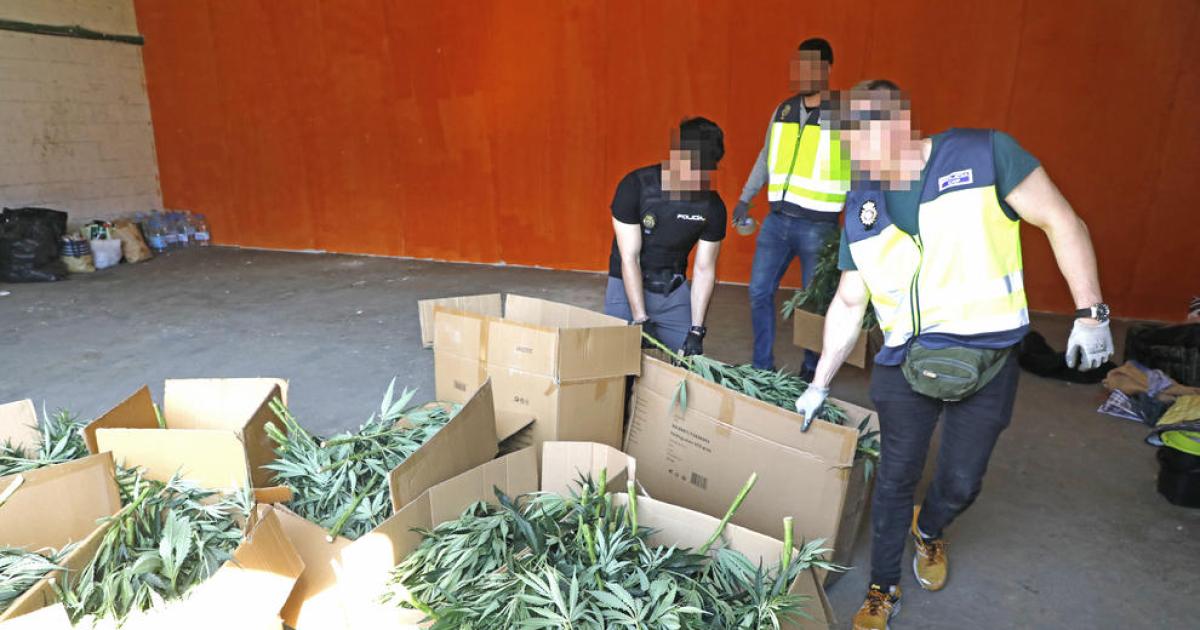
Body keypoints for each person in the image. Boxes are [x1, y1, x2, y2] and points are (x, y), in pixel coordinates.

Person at [793, 81, 1114, 630]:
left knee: (963, 480)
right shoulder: (862, 204)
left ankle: (931, 529)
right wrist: (819, 383)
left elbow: (1062, 220)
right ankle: (882, 587)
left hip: (986, 359)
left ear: (895, 124)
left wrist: (1091, 313)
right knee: (894, 479)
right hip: (903, 363)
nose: (852, 157)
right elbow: (850, 299)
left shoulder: (985, 154)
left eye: (856, 140)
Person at [734, 37, 851, 378]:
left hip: (820, 226)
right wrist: (746, 196)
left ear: (828, 68)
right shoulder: (783, 110)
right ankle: (762, 367)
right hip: (777, 222)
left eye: (813, 65)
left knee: (814, 305)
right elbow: (765, 156)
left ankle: (812, 370)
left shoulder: (844, 115)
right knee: (758, 292)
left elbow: (863, 167)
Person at [605, 117, 727, 355]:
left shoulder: (712, 207)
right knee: (617, 362)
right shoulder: (635, 186)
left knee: (691, 364)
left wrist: (696, 330)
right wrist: (641, 318)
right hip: (626, 283)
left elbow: (704, 270)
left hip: (671, 287)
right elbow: (630, 257)